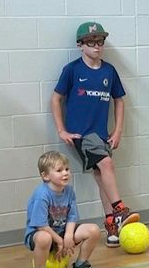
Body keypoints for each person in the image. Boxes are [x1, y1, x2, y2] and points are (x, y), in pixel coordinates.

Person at [51, 22, 139, 247]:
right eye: (92, 42)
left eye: (100, 42)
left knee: (102, 176)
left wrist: (118, 130)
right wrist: (62, 130)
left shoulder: (109, 71)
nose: (97, 47)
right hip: (82, 134)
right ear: (81, 45)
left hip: (101, 135)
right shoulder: (72, 70)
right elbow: (56, 98)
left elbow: (119, 100)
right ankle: (119, 209)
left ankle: (111, 226)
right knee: (107, 164)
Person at [24, 151, 104, 268]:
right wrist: (60, 241)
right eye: (59, 170)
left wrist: (68, 236)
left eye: (67, 169)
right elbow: (41, 225)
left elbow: (72, 217)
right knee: (44, 237)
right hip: (42, 233)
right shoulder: (42, 195)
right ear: (45, 176)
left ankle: (81, 265)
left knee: (93, 230)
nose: (65, 173)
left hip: (62, 231)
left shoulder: (69, 191)